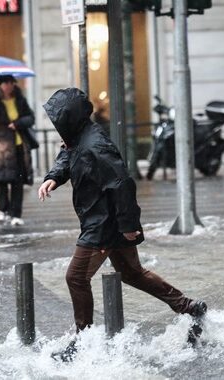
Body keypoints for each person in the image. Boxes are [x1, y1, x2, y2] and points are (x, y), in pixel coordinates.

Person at [38, 88, 207, 362]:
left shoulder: (96, 145)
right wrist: (54, 178)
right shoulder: (79, 138)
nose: (56, 127)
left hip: (103, 223)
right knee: (132, 273)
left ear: (70, 119)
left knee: (76, 277)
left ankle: (83, 342)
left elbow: (122, 184)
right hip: (104, 219)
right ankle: (189, 307)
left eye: (58, 120)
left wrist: (129, 225)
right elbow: (67, 155)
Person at [0, 75, 36, 226]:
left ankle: (16, 213)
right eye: (5, 83)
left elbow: (30, 118)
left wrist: (18, 123)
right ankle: (2, 210)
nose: (8, 86)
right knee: (1, 179)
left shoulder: (19, 98)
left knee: (17, 180)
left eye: (10, 83)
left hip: (18, 144)